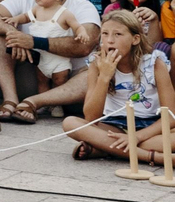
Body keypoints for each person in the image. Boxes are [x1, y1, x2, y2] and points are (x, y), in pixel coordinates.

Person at [63, 9, 173, 163]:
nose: (109, 40)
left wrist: (136, 137)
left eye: (118, 34)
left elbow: (171, 115)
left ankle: (104, 148)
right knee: (70, 123)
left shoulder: (154, 64)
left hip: (151, 127)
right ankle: (155, 157)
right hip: (114, 126)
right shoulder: (96, 64)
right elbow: (91, 118)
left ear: (135, 39)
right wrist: (105, 77)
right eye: (105, 34)